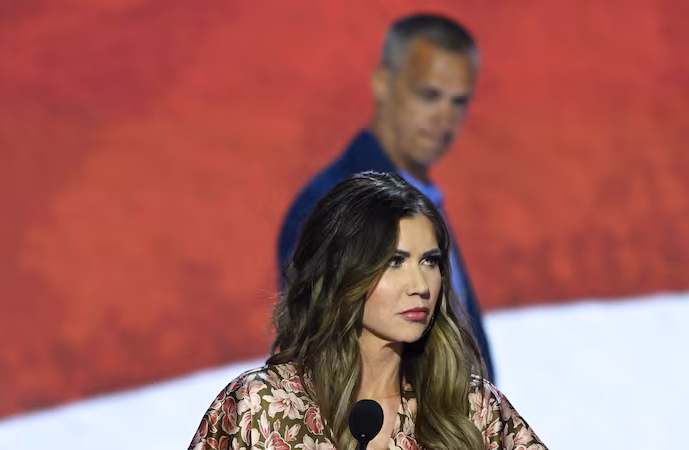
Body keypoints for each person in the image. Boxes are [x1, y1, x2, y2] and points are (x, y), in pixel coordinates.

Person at [190, 173, 546, 450]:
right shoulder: (263, 407)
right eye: (394, 262)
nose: (420, 285)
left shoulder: (473, 409)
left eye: (430, 261)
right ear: (340, 273)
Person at [278, 13, 496, 382]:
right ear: (383, 82)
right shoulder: (333, 202)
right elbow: (324, 358)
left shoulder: (419, 197)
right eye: (428, 94)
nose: (444, 117)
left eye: (458, 101)